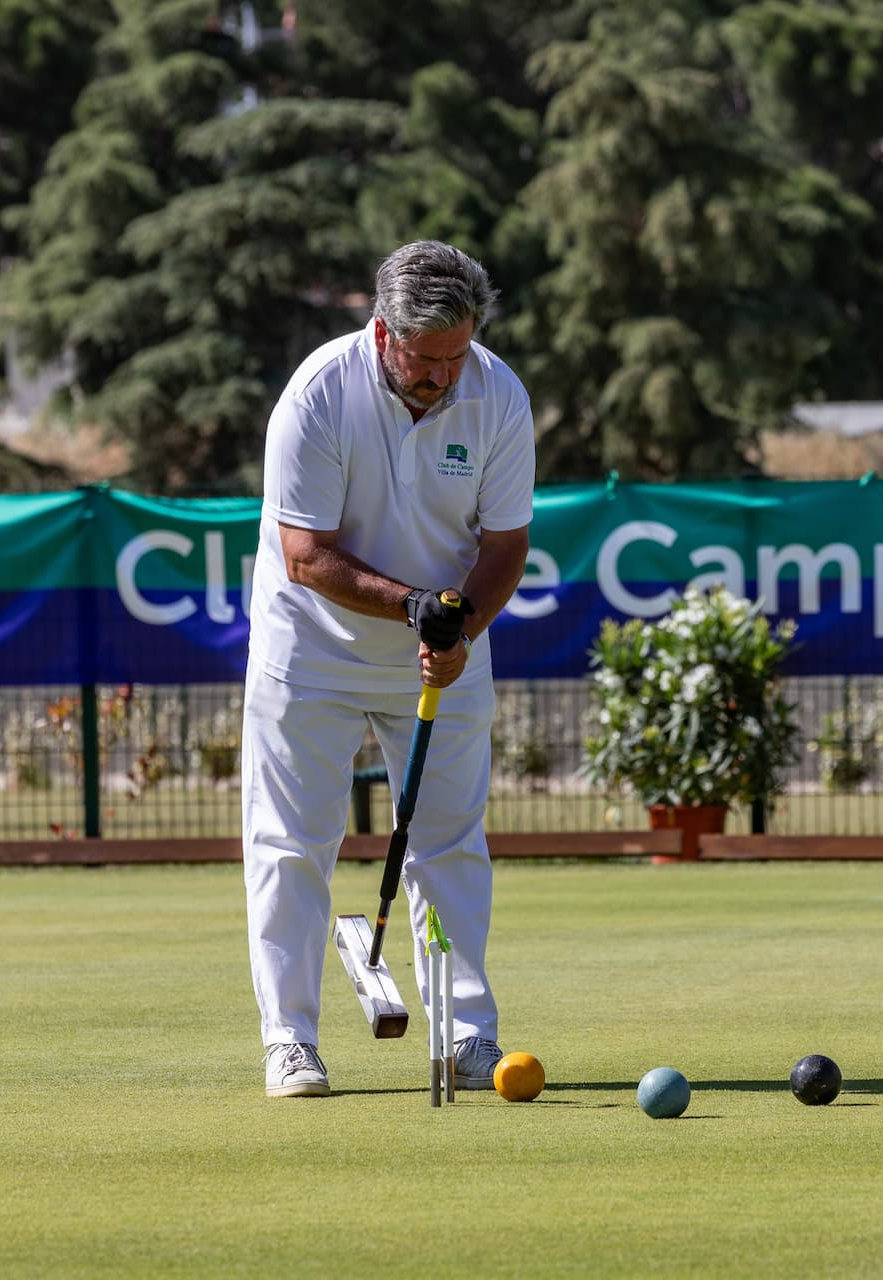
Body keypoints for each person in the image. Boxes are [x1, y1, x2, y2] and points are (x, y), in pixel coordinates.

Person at [243, 240, 534, 1098]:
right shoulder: (319, 394)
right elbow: (306, 555)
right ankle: (290, 1040)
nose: (444, 377)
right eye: (426, 358)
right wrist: (418, 607)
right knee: (292, 845)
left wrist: (461, 627)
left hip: (442, 656)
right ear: (384, 332)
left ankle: (468, 1038)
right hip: (311, 649)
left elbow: (506, 543)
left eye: (457, 356)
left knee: (450, 843)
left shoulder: (498, 393)